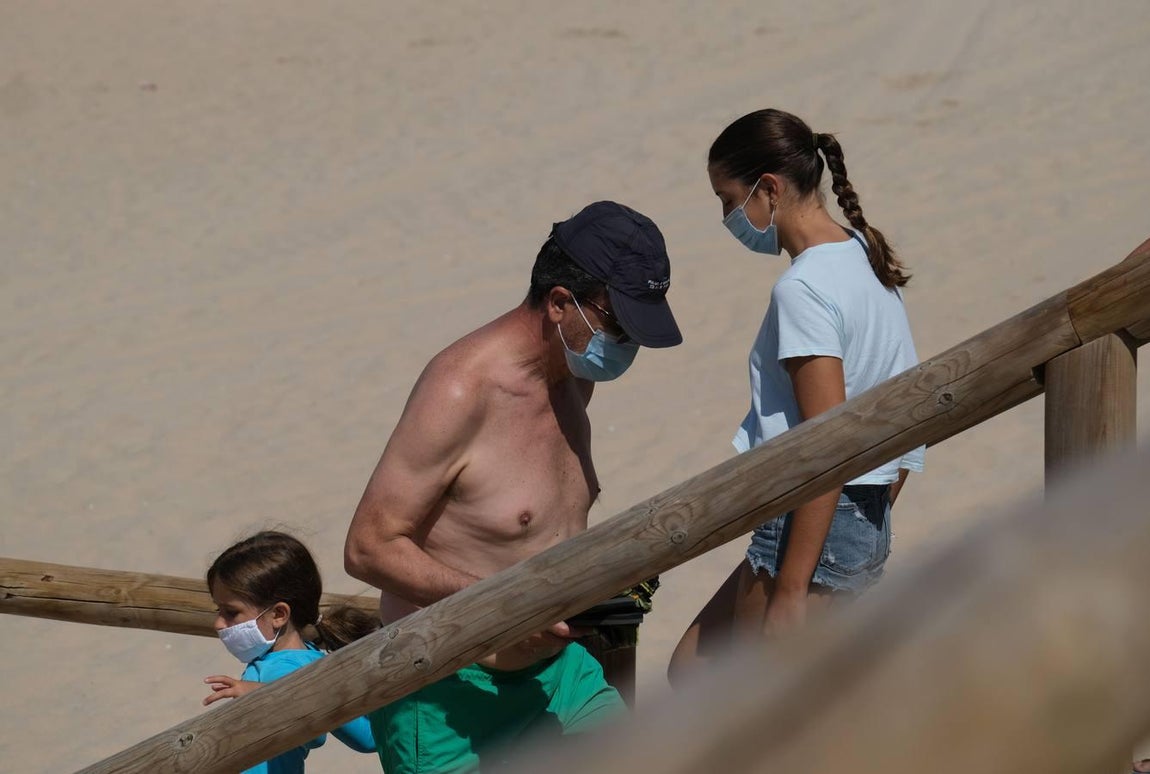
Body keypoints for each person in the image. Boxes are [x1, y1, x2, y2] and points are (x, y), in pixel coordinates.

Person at [344, 200, 682, 773]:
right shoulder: (460, 391)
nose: (627, 345)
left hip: (562, 676)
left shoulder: (573, 377)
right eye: (618, 325)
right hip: (448, 693)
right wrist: (507, 608)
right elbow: (367, 547)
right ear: (558, 303)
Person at [668, 108, 925, 684]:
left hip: (812, 524)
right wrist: (872, 520)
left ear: (770, 189)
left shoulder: (803, 287)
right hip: (855, 515)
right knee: (695, 671)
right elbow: (906, 418)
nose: (728, 216)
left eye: (727, 198)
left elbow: (826, 441)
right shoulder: (863, 256)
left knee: (742, 705)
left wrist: (790, 589)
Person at [203, 530, 380, 774]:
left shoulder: (301, 668)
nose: (218, 624)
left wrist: (262, 695)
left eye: (230, 612)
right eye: (218, 610)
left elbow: (350, 736)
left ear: (278, 615)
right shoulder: (301, 658)